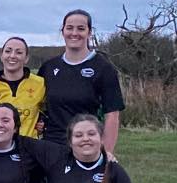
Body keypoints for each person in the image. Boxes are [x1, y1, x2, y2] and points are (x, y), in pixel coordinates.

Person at [38, 9, 125, 151]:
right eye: (69, 28)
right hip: (51, 148)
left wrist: (106, 154)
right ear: (63, 31)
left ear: (89, 32)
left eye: (81, 28)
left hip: (85, 147)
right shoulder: (48, 67)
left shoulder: (103, 68)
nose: (74, 33)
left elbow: (112, 115)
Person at [0, 36, 46, 138]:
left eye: (19, 52)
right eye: (8, 51)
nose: (12, 56)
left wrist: (43, 122)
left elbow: (50, 112)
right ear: (1, 55)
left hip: (30, 149)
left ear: (26, 58)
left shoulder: (40, 84)